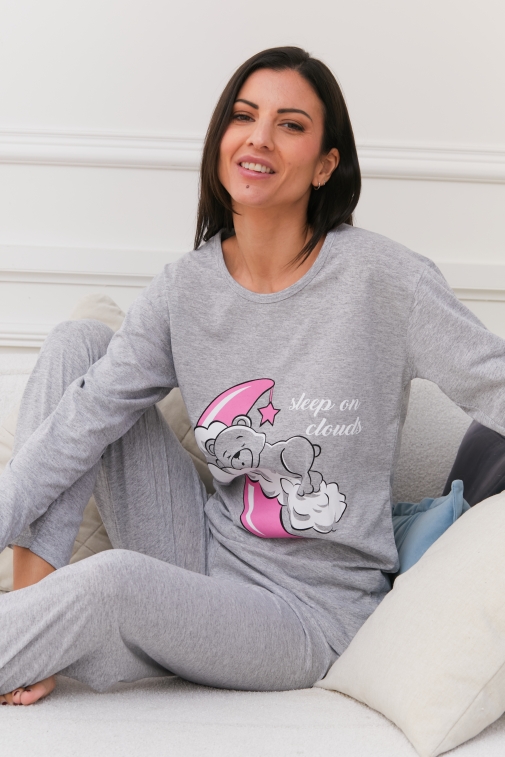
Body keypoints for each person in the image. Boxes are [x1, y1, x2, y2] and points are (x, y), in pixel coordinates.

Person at [2, 45, 505, 707]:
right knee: (80, 346)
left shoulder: (385, 281)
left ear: (326, 164)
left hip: (307, 615)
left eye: (290, 124)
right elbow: (75, 429)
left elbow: (493, 382)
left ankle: (29, 639)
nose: (259, 137)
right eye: (244, 116)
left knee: (113, 581)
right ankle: (30, 628)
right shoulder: (185, 289)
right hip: (201, 553)